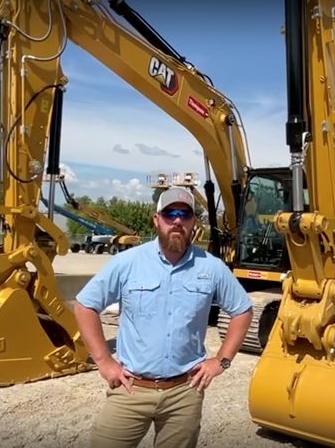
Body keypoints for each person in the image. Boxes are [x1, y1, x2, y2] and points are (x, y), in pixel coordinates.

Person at [73, 186, 254, 448]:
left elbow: (242, 310)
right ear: (157, 219)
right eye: (170, 214)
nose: (177, 220)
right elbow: (85, 305)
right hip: (130, 389)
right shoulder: (128, 262)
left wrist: (221, 361)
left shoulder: (212, 267)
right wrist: (103, 361)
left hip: (184, 392)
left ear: (194, 222)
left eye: (184, 214)